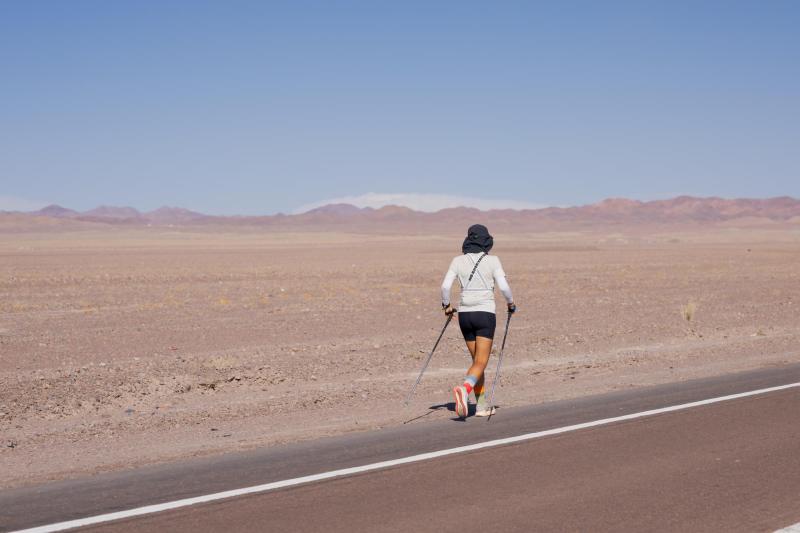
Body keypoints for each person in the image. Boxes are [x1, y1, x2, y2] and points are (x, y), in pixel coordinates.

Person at [441, 224, 516, 418]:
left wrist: (447, 306)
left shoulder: (457, 261)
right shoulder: (493, 261)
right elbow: (504, 287)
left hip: (465, 316)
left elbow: (445, 287)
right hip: (484, 314)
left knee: (477, 363)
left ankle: (481, 406)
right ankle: (464, 389)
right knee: (481, 362)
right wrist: (511, 303)